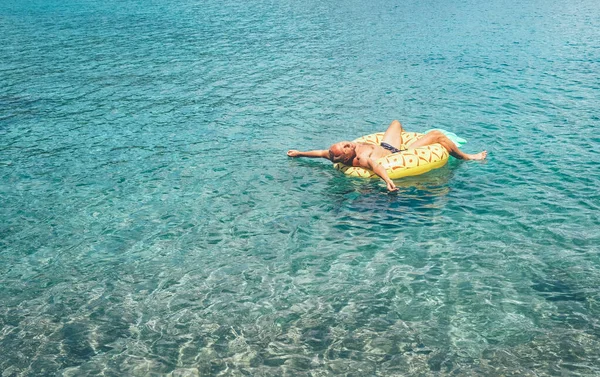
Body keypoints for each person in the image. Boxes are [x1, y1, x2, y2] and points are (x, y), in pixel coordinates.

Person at [287, 120, 487, 192]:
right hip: (398, 154)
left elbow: (319, 153)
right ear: (346, 157)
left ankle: (413, 140)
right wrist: (388, 181)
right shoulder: (361, 159)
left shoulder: (334, 153)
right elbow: (377, 166)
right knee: (437, 135)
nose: (348, 143)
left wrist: (299, 153)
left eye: (344, 143)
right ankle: (468, 157)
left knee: (396, 123)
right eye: (346, 146)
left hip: (384, 146)